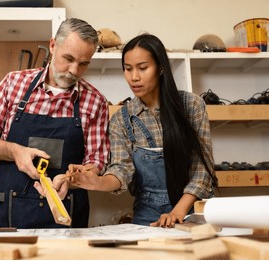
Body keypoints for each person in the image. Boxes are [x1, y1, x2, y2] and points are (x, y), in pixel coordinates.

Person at [61, 33, 218, 228]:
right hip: (148, 213)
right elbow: (121, 170)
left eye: (143, 68)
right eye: (128, 69)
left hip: (194, 209)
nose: (134, 77)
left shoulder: (192, 105)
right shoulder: (122, 119)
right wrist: (95, 182)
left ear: (160, 67)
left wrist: (177, 212)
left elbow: (202, 171)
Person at [0, 18, 110, 229]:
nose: (74, 70)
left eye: (83, 63)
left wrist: (74, 179)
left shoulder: (95, 101)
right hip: (10, 213)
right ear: (53, 45)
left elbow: (96, 161)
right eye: (68, 58)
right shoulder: (14, 84)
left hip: (68, 214)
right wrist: (15, 151)